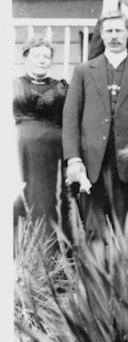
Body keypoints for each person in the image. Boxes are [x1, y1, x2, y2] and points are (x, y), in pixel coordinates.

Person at [62, 11, 128, 234]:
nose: (114, 36)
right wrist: (74, 158)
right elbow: (71, 117)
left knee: (124, 229)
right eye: (109, 31)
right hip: (92, 162)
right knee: (93, 228)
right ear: (101, 35)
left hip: (126, 164)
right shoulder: (84, 71)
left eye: (119, 30)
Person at [13, 36, 69, 242]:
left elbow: (68, 120)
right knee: (20, 199)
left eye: (47, 56)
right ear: (25, 58)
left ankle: (49, 256)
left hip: (51, 153)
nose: (42, 60)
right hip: (20, 152)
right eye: (37, 55)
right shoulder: (13, 85)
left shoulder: (61, 88)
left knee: (45, 199)